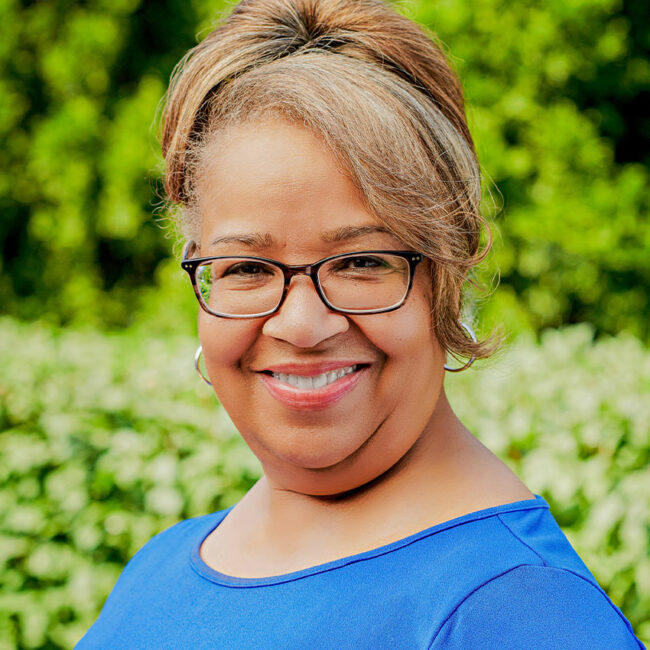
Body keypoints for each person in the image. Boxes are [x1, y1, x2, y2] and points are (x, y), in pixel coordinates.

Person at [77, 0, 644, 647]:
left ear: (447, 269)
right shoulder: (163, 564)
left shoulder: (519, 613)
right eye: (246, 268)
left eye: (361, 261)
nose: (301, 323)